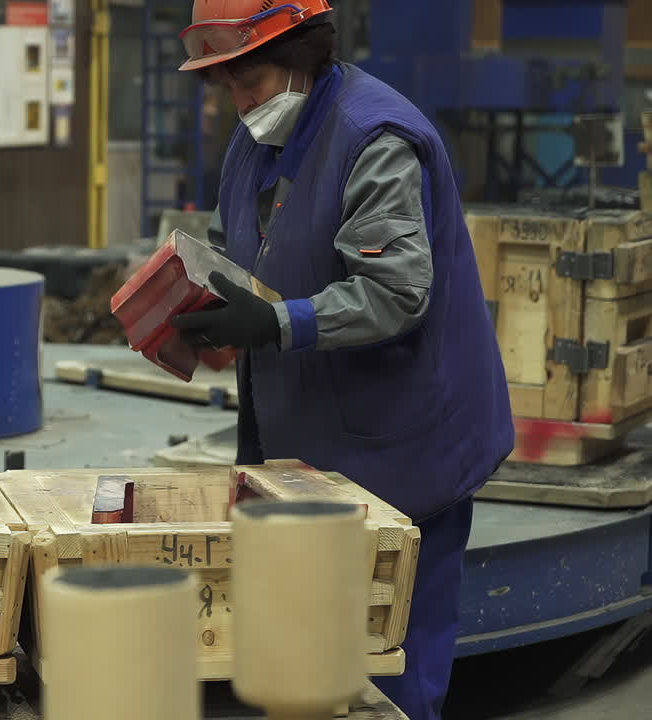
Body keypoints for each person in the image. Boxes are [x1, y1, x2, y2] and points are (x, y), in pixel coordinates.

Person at [168, 2, 514, 718]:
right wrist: (193, 311)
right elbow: (241, 251)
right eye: (226, 88)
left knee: (390, 669)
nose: (241, 103)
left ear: (305, 53)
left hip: (404, 448)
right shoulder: (256, 142)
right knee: (305, 666)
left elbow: (395, 291)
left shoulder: (375, 137)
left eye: (252, 81)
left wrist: (277, 321)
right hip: (311, 445)